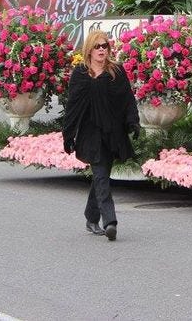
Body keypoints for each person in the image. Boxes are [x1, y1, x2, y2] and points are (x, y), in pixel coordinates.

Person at [62, 30, 140, 241]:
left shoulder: (116, 71)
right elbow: (73, 106)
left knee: (101, 175)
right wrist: (68, 135)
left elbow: (127, 100)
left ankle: (90, 216)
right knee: (101, 175)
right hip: (90, 134)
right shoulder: (80, 74)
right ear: (89, 49)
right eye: (97, 46)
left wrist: (133, 122)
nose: (102, 50)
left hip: (113, 132)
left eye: (105, 46)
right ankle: (110, 221)